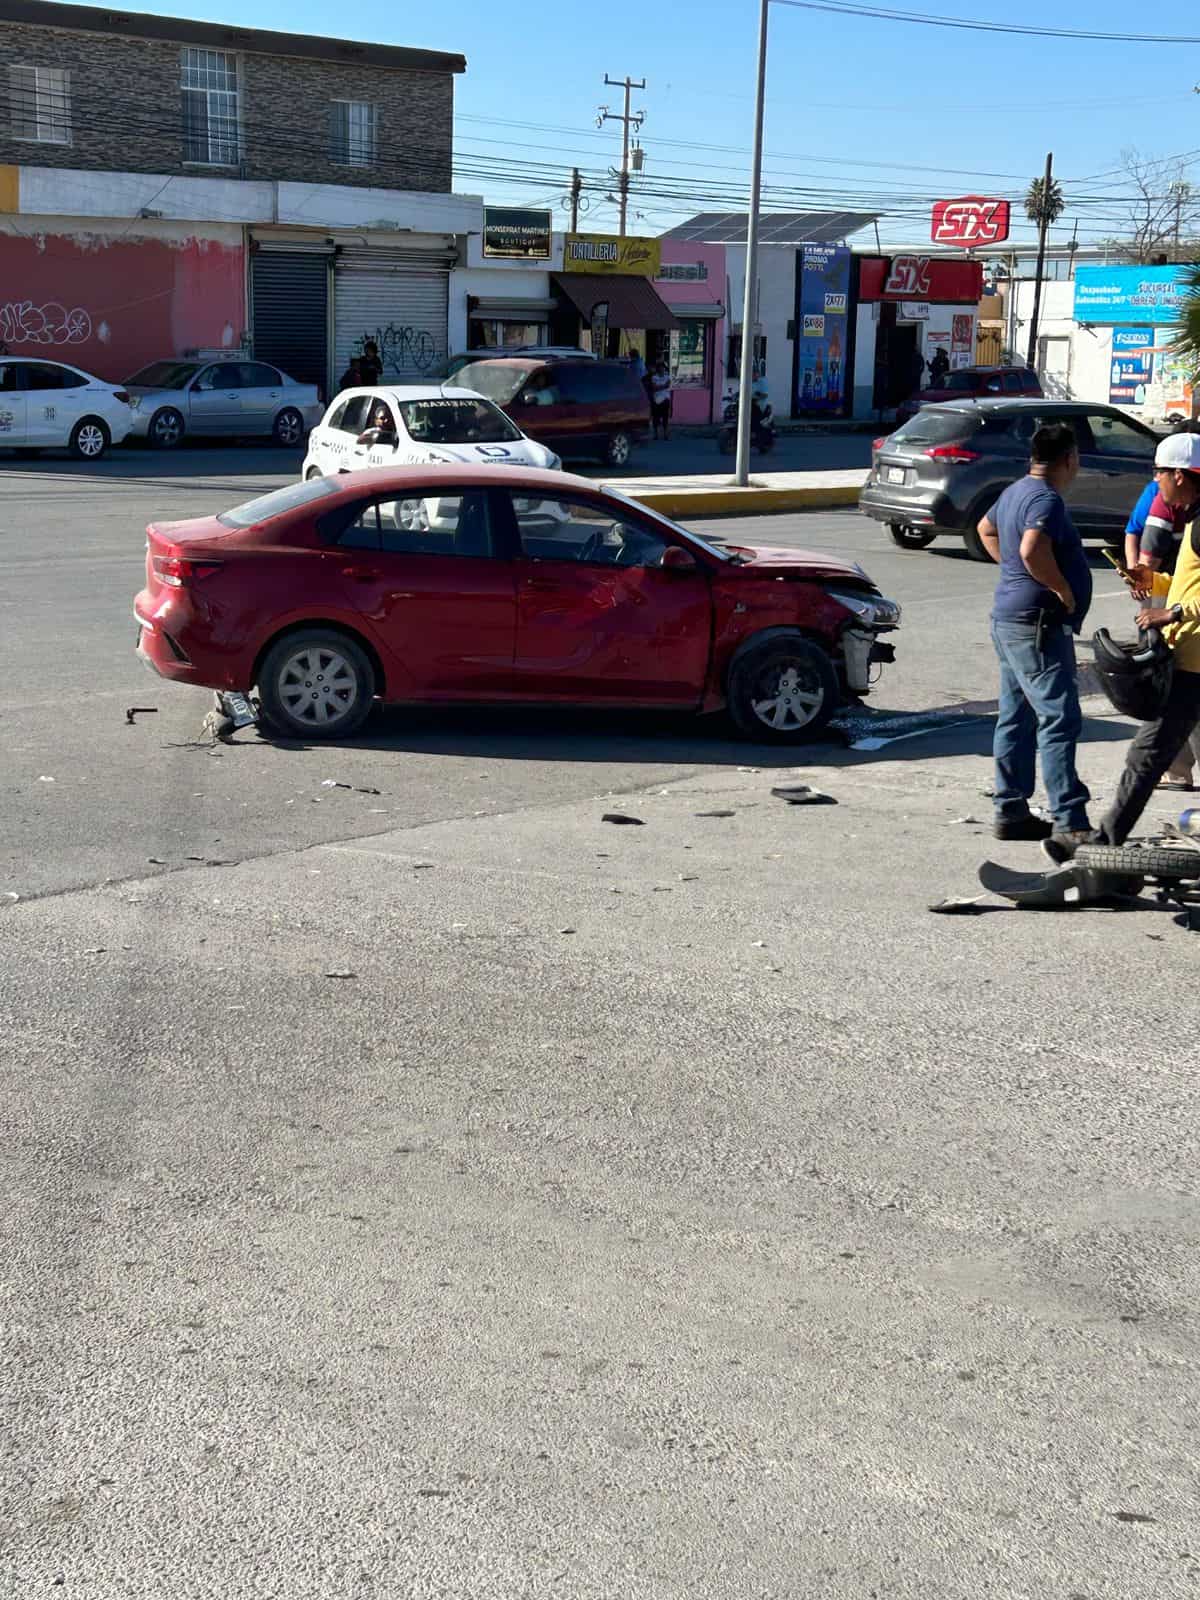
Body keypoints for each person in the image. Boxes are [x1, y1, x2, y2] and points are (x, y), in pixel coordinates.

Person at [1069, 431, 1200, 854]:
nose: (1155, 483)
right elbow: (1190, 584)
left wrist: (1173, 613)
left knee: (1147, 754)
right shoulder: (1196, 520)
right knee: (1150, 754)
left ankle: (1105, 842)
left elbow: (1189, 601)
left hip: (1193, 665)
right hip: (1190, 659)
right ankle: (1106, 838)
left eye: (1158, 474)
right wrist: (1155, 581)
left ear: (1180, 475)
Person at [976, 422, 1094, 848]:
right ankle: (1070, 820)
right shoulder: (1046, 498)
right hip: (1036, 626)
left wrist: (1013, 573)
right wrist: (1059, 588)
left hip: (1010, 620)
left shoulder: (1014, 492)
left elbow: (985, 530)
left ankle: (1011, 810)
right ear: (1070, 459)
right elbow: (1031, 549)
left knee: (1017, 716)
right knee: (1059, 718)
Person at [650, 359, 672, 440]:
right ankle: (656, 434)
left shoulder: (668, 376)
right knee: (656, 417)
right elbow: (654, 388)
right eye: (660, 367)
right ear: (658, 368)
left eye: (663, 367)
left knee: (665, 417)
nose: (662, 369)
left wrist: (659, 387)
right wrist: (663, 386)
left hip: (666, 400)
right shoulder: (654, 377)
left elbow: (668, 385)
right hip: (656, 400)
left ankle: (665, 434)